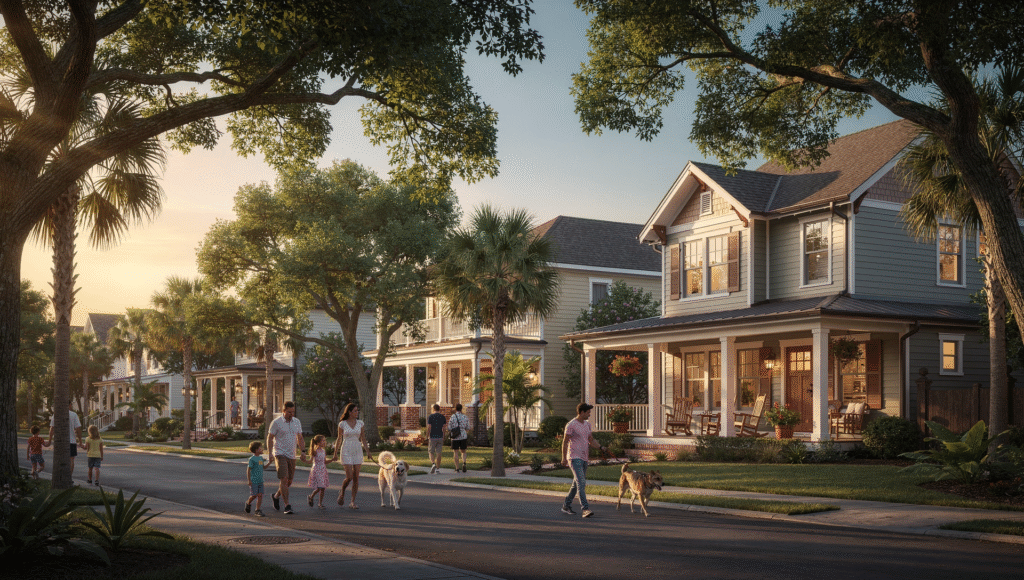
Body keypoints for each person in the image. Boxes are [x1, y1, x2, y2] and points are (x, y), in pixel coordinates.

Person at [561, 403, 607, 518]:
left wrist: (601, 447)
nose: (589, 414)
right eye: (588, 412)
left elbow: (590, 440)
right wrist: (563, 458)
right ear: (581, 412)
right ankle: (585, 509)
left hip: (584, 458)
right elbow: (565, 442)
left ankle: (566, 505)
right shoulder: (571, 425)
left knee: (576, 484)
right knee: (581, 483)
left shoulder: (587, 425)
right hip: (573, 457)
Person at [267, 401, 306, 515]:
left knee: (288, 482)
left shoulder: (297, 422)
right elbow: (270, 438)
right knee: (284, 479)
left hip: (292, 454)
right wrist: (270, 453)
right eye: (289, 412)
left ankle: (276, 496)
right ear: (283, 411)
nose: (291, 414)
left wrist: (303, 451)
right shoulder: (276, 422)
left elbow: (300, 437)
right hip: (280, 453)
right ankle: (287, 505)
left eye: (293, 412)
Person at [332, 402, 370, 509]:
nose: (357, 412)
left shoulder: (360, 423)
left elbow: (363, 438)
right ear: (349, 412)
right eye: (355, 411)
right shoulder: (342, 424)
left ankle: (352, 502)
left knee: (356, 478)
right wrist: (335, 453)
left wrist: (368, 451)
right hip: (346, 449)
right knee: (349, 477)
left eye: (358, 410)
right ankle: (342, 492)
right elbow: (339, 439)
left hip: (357, 449)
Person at [48, 401, 82, 480]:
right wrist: (80, 441)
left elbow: (52, 428)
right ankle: (69, 477)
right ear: (69, 405)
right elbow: (78, 429)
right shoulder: (74, 415)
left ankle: (60, 477)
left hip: (59, 441)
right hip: (71, 441)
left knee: (59, 459)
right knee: (71, 460)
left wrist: (50, 440)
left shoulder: (56, 414)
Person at [306, 434, 334, 509]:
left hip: (323, 470)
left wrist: (332, 460)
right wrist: (304, 460)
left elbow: (325, 462)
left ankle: (320, 503)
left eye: (325, 440)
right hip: (317, 470)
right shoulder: (315, 451)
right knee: (319, 487)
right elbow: (310, 461)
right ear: (318, 442)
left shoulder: (323, 451)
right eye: (323, 440)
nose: (325, 442)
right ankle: (311, 496)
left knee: (323, 488)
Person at [245, 440, 270, 517]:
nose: (262, 449)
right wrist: (249, 480)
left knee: (260, 495)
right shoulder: (252, 459)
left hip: (260, 481)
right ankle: (248, 503)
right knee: (254, 495)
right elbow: (248, 470)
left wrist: (269, 462)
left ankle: (257, 510)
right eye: (260, 448)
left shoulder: (261, 458)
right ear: (256, 450)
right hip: (254, 481)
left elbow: (264, 467)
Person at [447, 403, 470, 473]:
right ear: (461, 409)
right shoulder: (465, 417)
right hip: (463, 436)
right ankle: (464, 462)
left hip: (455, 437)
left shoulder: (453, 417)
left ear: (455, 409)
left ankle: (457, 468)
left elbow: (449, 427)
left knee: (456, 452)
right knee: (463, 451)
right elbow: (468, 427)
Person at [426, 403, 447, 473]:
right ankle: (437, 468)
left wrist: (427, 435)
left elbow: (429, 427)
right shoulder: (442, 417)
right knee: (439, 453)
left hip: (432, 436)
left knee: (431, 452)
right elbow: (444, 428)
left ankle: (433, 463)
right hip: (440, 436)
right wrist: (444, 436)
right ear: (439, 409)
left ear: (433, 409)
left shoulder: (431, 416)